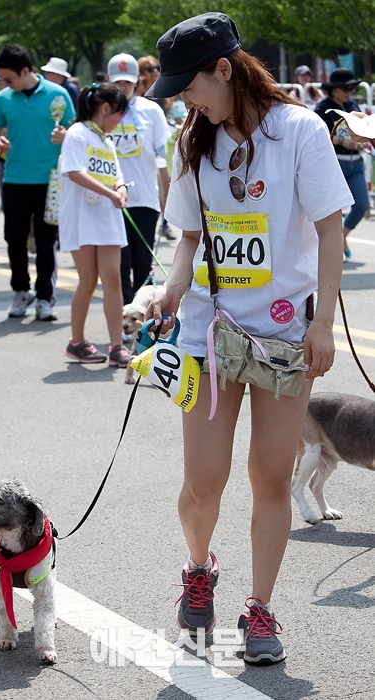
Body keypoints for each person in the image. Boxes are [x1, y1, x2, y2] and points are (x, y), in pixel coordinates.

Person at [144, 12, 352, 664]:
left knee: (269, 475)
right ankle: (198, 569)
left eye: (188, 86)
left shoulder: (299, 130)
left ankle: (260, 611)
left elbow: (329, 228)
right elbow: (188, 239)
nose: (183, 99)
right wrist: (172, 290)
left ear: (225, 69)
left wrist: (322, 325)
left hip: (285, 335)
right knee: (202, 480)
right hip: (208, 331)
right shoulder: (191, 140)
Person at [0, 44, 75, 320]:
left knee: (46, 240)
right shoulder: (3, 98)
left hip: (49, 179)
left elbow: (75, 129)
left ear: (25, 70)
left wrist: (66, 134)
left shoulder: (58, 94)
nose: (4, 83)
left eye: (8, 77)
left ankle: (45, 297)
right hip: (14, 178)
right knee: (14, 238)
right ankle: (20, 290)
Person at [58, 83, 131, 366]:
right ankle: (76, 341)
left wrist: (121, 187)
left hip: (106, 216)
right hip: (82, 217)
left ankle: (116, 346)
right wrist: (111, 193)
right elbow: (74, 172)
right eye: (119, 115)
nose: (119, 122)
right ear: (105, 109)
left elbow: (117, 173)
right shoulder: (77, 133)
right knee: (88, 281)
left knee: (112, 277)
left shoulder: (107, 140)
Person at [106, 53, 170, 305]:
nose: (123, 88)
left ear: (137, 81)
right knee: (119, 265)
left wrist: (168, 204)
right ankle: (122, 322)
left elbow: (162, 159)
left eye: (128, 82)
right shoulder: (101, 111)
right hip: (110, 200)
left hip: (144, 198)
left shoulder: (151, 110)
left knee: (143, 265)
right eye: (118, 82)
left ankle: (143, 325)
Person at [315, 68, 368, 261]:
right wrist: (339, 141)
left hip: (356, 163)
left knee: (362, 204)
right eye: (346, 88)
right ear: (333, 89)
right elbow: (316, 136)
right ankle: (333, 244)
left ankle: (342, 237)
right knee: (332, 210)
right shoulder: (322, 108)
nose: (349, 91)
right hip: (334, 163)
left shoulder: (353, 105)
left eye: (352, 87)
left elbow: (363, 130)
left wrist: (363, 141)